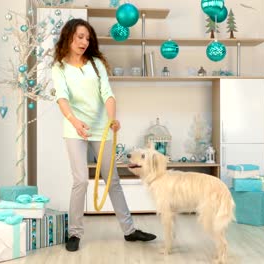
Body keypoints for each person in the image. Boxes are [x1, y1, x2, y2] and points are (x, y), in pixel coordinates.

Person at [52, 18, 157, 252]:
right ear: (68, 37)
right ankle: (75, 233)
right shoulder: (59, 67)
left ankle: (129, 231)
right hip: (74, 128)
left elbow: (107, 94)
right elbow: (62, 98)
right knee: (80, 180)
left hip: (101, 129)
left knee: (112, 180)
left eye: (87, 38)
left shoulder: (96, 64)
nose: (84, 42)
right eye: (80, 37)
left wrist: (112, 119)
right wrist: (75, 121)